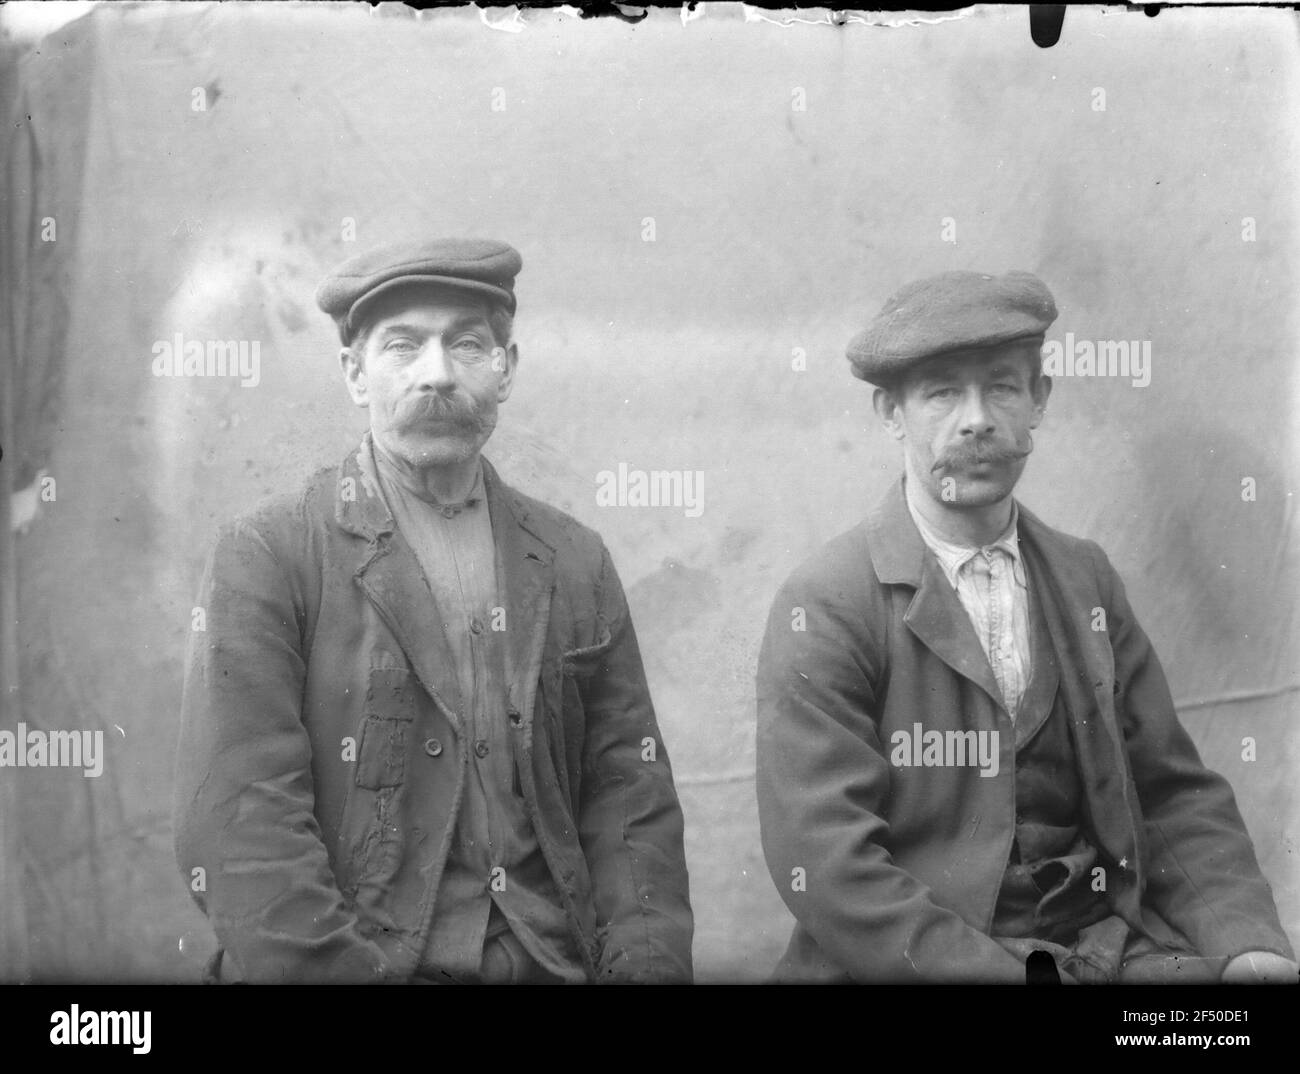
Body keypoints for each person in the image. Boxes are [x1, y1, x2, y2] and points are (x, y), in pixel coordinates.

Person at [174, 237, 693, 984]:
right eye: (403, 346)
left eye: (468, 345)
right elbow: (240, 829)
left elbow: (631, 807)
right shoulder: (268, 555)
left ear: (506, 369)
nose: (438, 373)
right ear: (354, 373)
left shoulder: (575, 559)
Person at [755, 269, 1297, 983]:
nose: (976, 418)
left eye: (1002, 386)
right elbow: (829, 866)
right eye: (942, 391)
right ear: (891, 414)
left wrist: (1249, 944)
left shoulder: (1083, 578)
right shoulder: (827, 600)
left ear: (1039, 400)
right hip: (918, 963)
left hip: (1095, 944)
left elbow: (1168, 794)